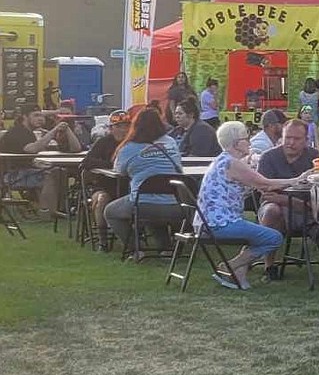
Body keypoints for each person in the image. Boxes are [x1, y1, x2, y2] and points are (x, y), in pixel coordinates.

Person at [197, 121, 309, 290]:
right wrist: (298, 179)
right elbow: (266, 185)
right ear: (236, 144)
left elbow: (249, 186)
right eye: (246, 139)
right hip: (220, 224)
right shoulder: (233, 164)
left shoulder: (221, 160)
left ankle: (238, 276)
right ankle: (229, 266)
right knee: (273, 237)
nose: (249, 142)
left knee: (256, 234)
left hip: (206, 222)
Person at [103, 109, 185, 259]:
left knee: (111, 212)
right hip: (176, 205)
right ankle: (166, 249)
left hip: (143, 204)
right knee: (155, 203)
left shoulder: (128, 148)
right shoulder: (171, 143)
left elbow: (120, 171)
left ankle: (135, 249)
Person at [256, 118, 319, 279]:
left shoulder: (316, 159)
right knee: (271, 210)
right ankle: (269, 266)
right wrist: (290, 202)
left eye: (296, 139)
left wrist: (283, 197)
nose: (290, 142)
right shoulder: (268, 158)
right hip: (279, 209)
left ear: (306, 140)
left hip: (309, 209)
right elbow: (266, 193)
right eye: (287, 138)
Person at [0, 104, 82, 210]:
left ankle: (59, 209)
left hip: (28, 170)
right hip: (14, 175)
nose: (40, 119)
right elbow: (32, 149)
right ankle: (47, 211)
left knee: (59, 171)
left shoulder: (30, 132)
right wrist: (54, 131)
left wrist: (66, 130)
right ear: (25, 117)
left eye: (41, 116)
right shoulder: (17, 132)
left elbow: (76, 149)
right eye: (36, 115)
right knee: (53, 174)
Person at [80, 110, 131, 249]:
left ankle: (133, 238)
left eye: (126, 126)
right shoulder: (103, 142)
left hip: (129, 187)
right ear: (111, 128)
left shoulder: (133, 143)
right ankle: (103, 242)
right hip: (105, 186)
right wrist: (109, 165)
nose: (123, 130)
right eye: (119, 126)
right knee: (102, 200)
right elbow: (86, 162)